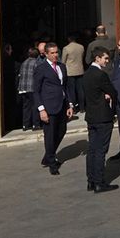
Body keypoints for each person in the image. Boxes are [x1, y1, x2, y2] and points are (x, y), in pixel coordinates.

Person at [81, 47, 119, 193]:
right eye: (105, 58)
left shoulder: (86, 74)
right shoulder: (100, 75)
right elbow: (113, 92)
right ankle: (99, 182)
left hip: (91, 116)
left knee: (92, 149)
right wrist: (108, 96)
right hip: (103, 116)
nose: (107, 61)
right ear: (97, 58)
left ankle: (91, 180)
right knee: (100, 151)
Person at [32, 41, 73, 174]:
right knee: (50, 135)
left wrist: (69, 104)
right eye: (53, 53)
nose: (56, 55)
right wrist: (41, 109)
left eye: (57, 52)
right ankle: (52, 162)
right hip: (49, 107)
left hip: (61, 105)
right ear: (46, 54)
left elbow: (65, 87)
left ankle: (47, 156)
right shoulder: (41, 68)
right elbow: (36, 90)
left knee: (61, 130)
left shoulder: (62, 67)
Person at [16, 45, 42, 130]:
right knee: (35, 106)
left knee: (26, 107)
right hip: (32, 87)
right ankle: (35, 124)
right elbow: (38, 76)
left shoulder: (24, 62)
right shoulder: (37, 63)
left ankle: (25, 125)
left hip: (23, 87)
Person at [61, 32, 87, 111]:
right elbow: (82, 57)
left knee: (71, 91)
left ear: (68, 39)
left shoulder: (66, 48)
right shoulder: (81, 47)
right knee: (80, 89)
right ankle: (82, 107)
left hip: (70, 71)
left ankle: (74, 108)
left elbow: (63, 61)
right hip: (80, 70)